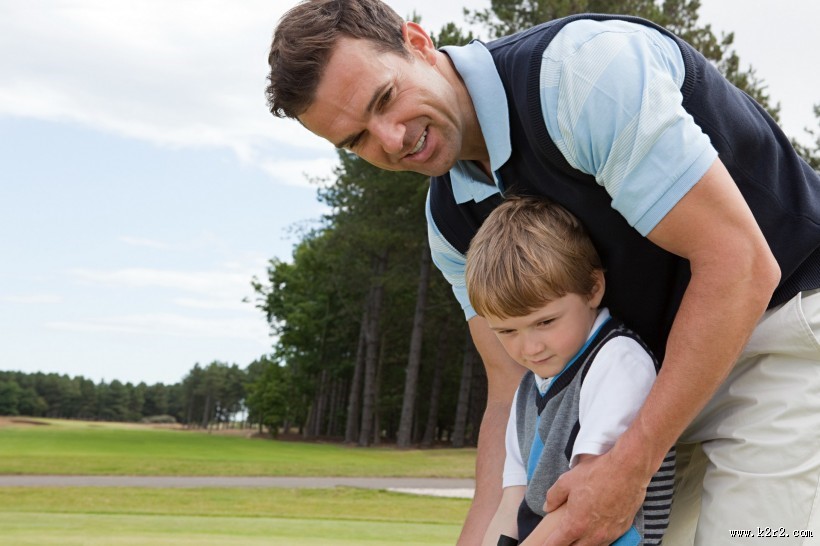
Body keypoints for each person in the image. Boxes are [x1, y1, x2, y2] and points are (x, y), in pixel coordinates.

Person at [266, 1, 820, 544]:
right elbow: (511, 390)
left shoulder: (579, 76)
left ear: (417, 43)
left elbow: (741, 265)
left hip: (780, 332)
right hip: (652, 391)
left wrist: (628, 468)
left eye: (386, 98)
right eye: (357, 140)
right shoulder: (450, 221)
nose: (390, 140)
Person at [465, 196, 675, 546]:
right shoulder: (529, 389)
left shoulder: (617, 362)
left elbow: (587, 500)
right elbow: (512, 503)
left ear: (593, 289)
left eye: (545, 322)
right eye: (507, 331)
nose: (529, 348)